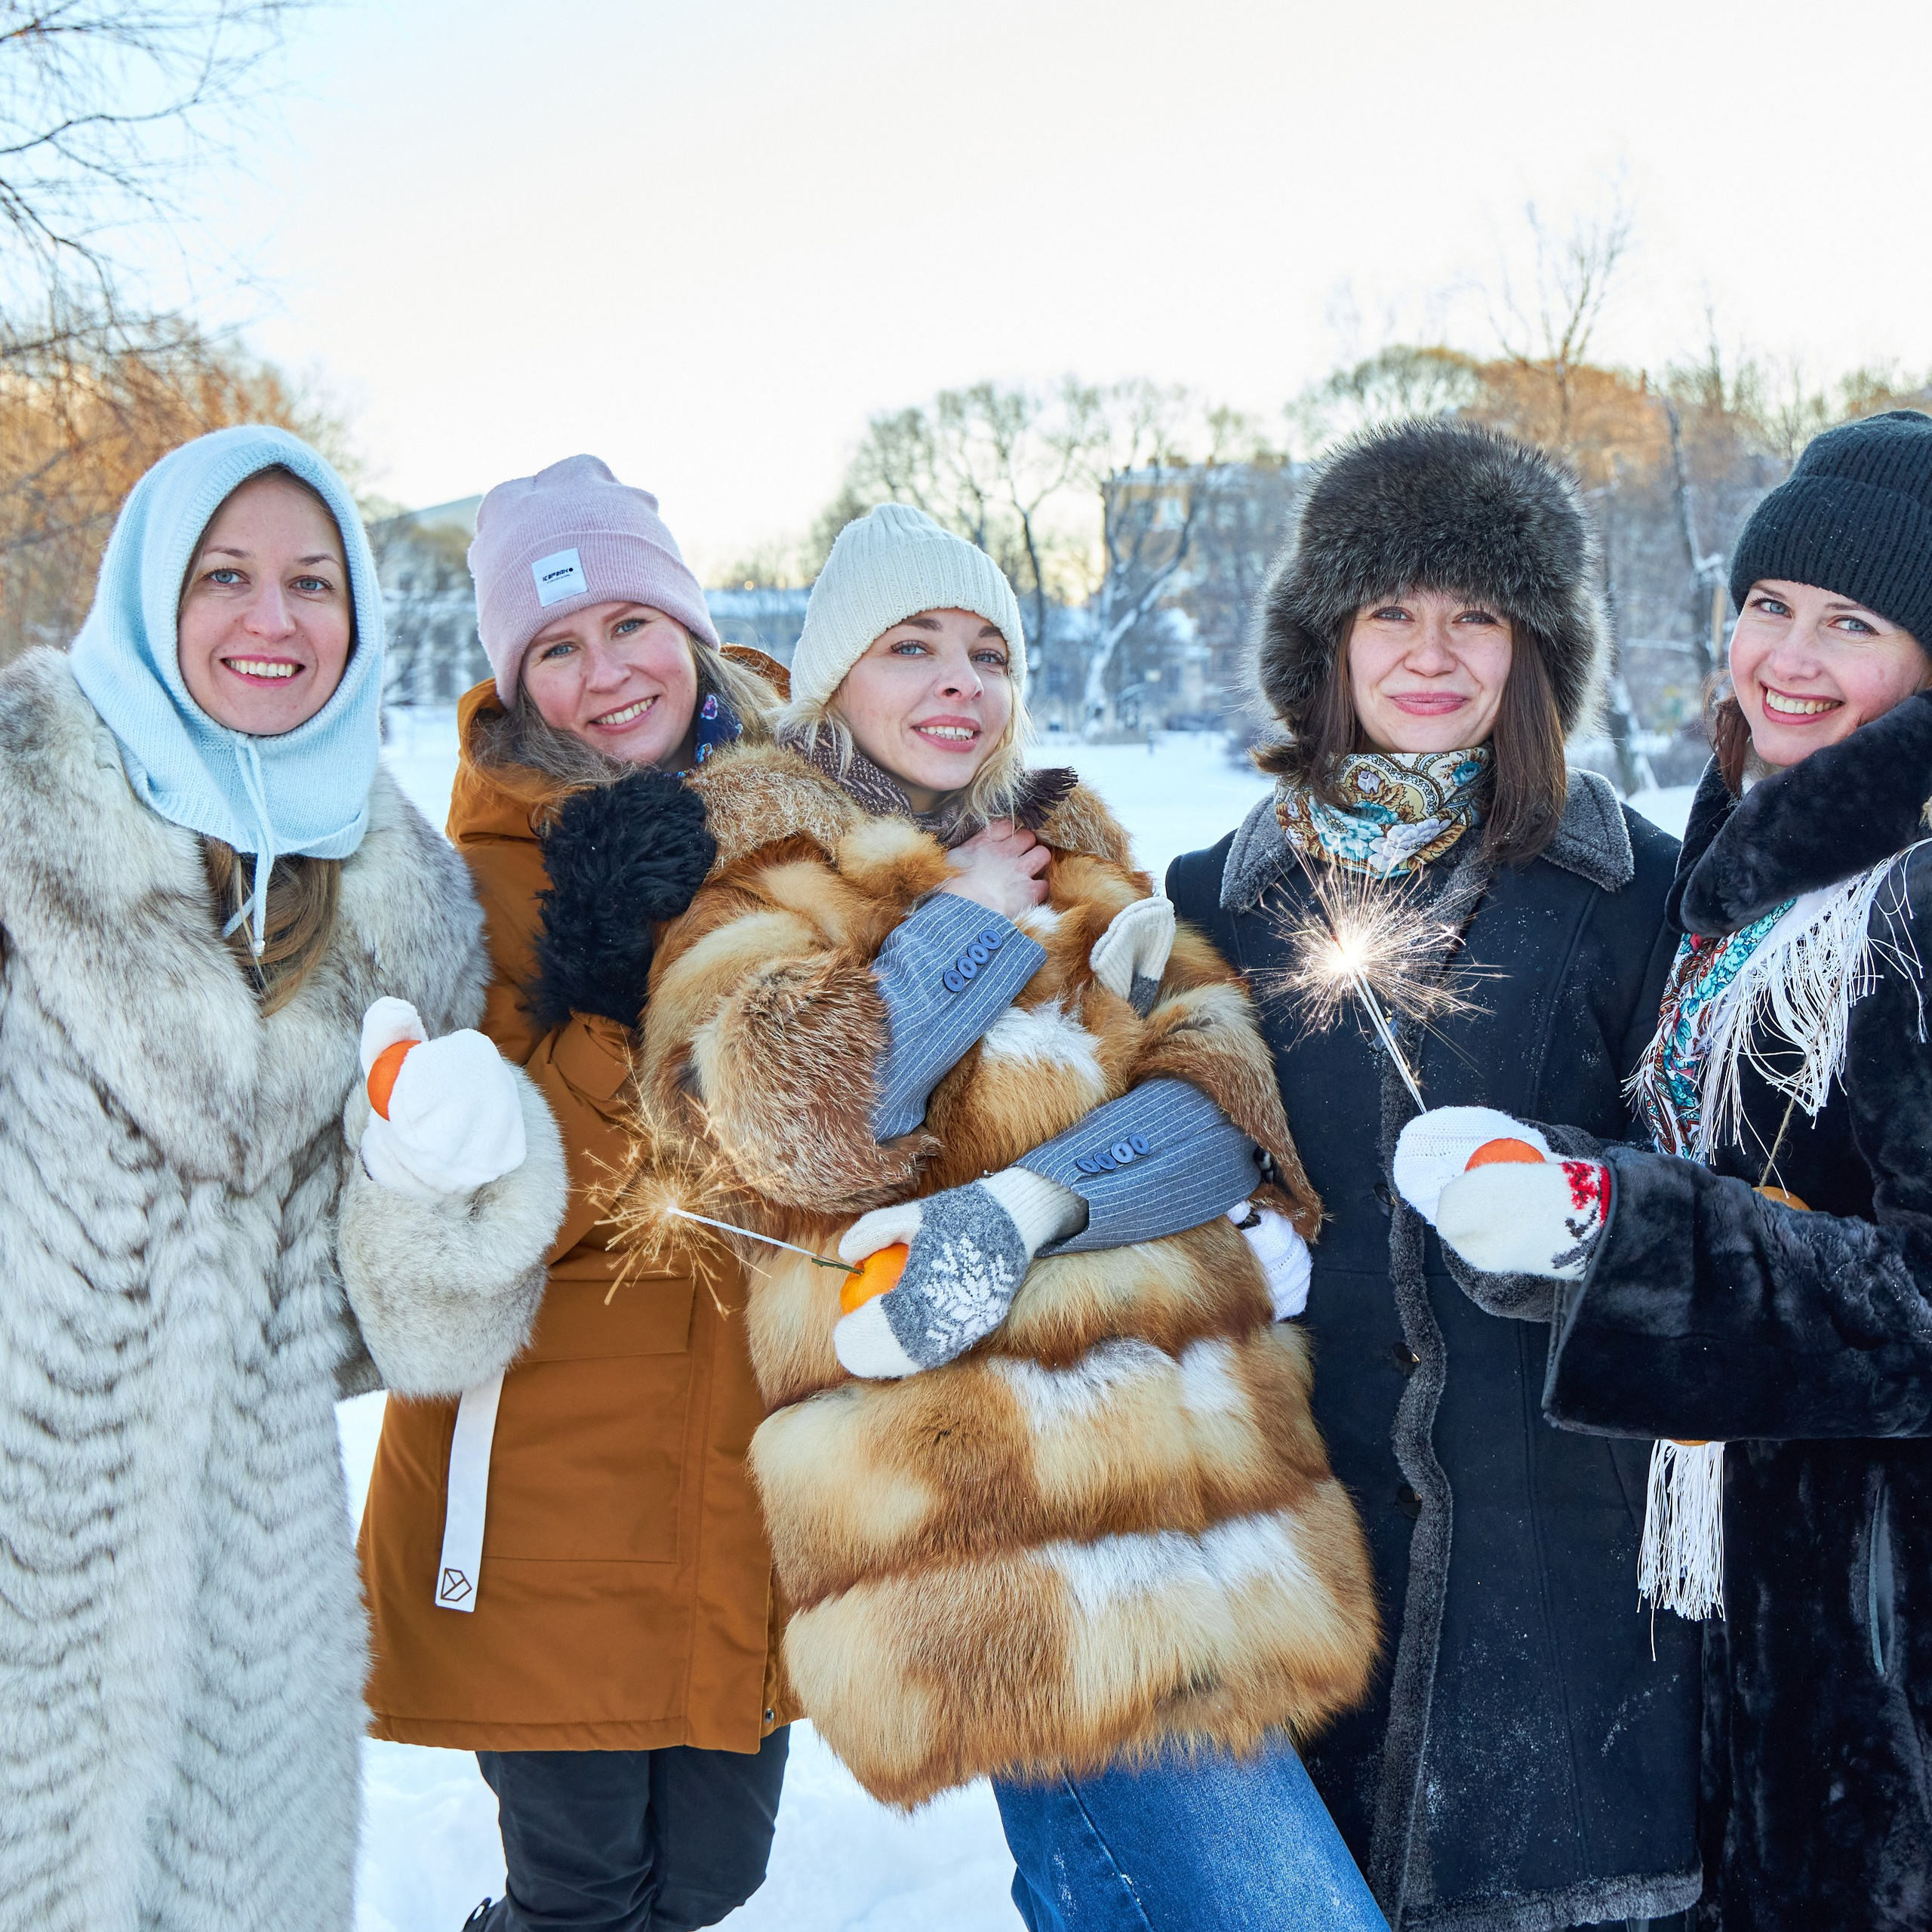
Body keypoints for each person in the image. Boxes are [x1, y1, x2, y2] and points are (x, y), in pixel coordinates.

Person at [622, 503, 1387, 1931]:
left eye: (988, 651)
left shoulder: (1082, 867)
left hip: (1217, 1508)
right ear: (834, 676)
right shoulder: (753, 884)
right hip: (1004, 1548)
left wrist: (1028, 1211)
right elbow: (799, 1127)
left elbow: (1224, 1113)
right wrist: (964, 927)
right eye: (911, 647)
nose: (959, 683)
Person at [0, 426, 567, 1932]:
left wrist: (440, 1184)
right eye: (225, 576)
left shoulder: (402, 904)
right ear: (149, 592)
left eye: (313, 582)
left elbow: (377, 1333)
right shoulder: (17, 807)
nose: (274, 618)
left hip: (243, 1631)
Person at [1399, 409, 1932, 1932]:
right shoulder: (1750, 862)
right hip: (1728, 1582)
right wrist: (1554, 1176)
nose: (1789, 655)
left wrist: (1610, 1223)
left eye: (1853, 622)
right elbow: (1726, 1169)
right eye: (1768, 603)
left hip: (1875, 1618)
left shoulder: (1908, 903)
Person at [1166, 420, 1701, 1932]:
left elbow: (1702, 1201)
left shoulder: (1638, 889)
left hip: (1566, 1546)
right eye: (1389, 608)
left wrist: (1572, 1209)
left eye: (1476, 613)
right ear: (1324, 640)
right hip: (1311, 1532)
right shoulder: (1214, 899)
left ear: (1532, 649)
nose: (1429, 651)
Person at [356, 457, 794, 1932]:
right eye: (555, 646)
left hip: (740, 1463)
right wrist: (605, 977)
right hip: (541, 1482)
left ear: (691, 630)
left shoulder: (796, 830)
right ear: (514, 679)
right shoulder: (460, 885)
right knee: (584, 1896)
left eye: (629, 624)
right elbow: (492, 1208)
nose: (603, 674)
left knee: (713, 1880)